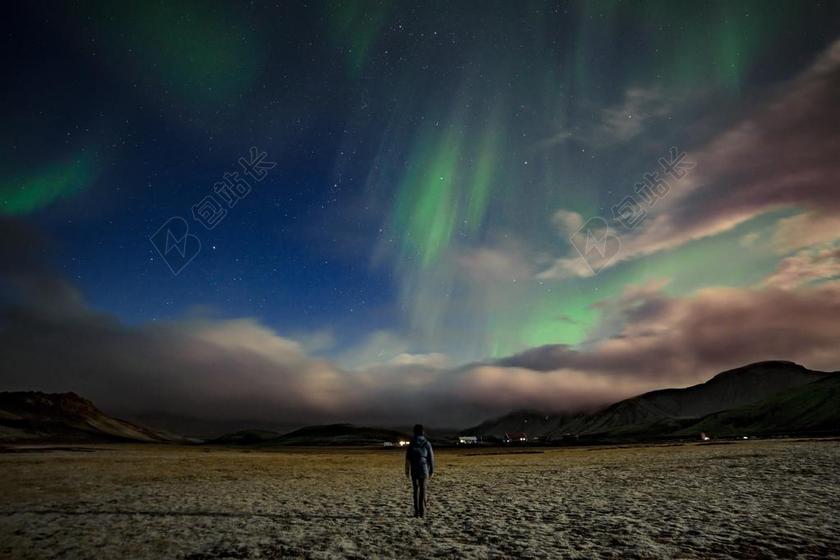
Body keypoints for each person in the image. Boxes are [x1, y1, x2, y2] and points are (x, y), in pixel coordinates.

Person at [404, 424, 434, 518]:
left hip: (414, 468)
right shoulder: (427, 443)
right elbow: (431, 458)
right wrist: (431, 470)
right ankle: (422, 512)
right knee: (423, 489)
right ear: (423, 432)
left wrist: (407, 470)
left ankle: (416, 512)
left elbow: (408, 458)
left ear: (414, 432)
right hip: (424, 468)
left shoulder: (412, 443)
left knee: (415, 490)